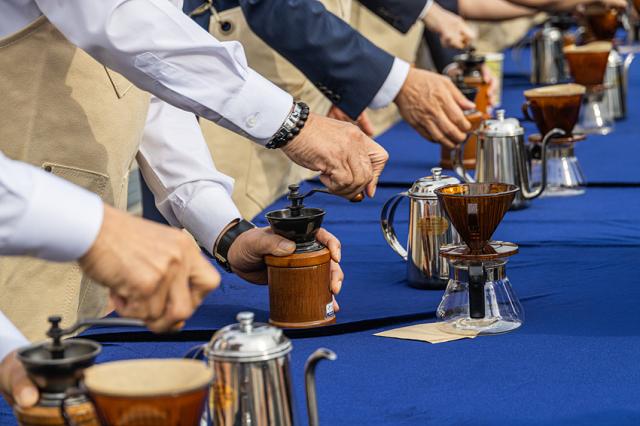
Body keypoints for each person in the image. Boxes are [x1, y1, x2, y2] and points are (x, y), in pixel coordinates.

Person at [0, 0, 356, 340]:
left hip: (78, 268)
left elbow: (150, 84)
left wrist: (227, 233)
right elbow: (125, 24)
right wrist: (292, 124)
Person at [181, 0, 475, 217]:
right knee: (221, 234)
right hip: (235, 88)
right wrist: (395, 81)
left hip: (295, 75)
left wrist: (338, 82)